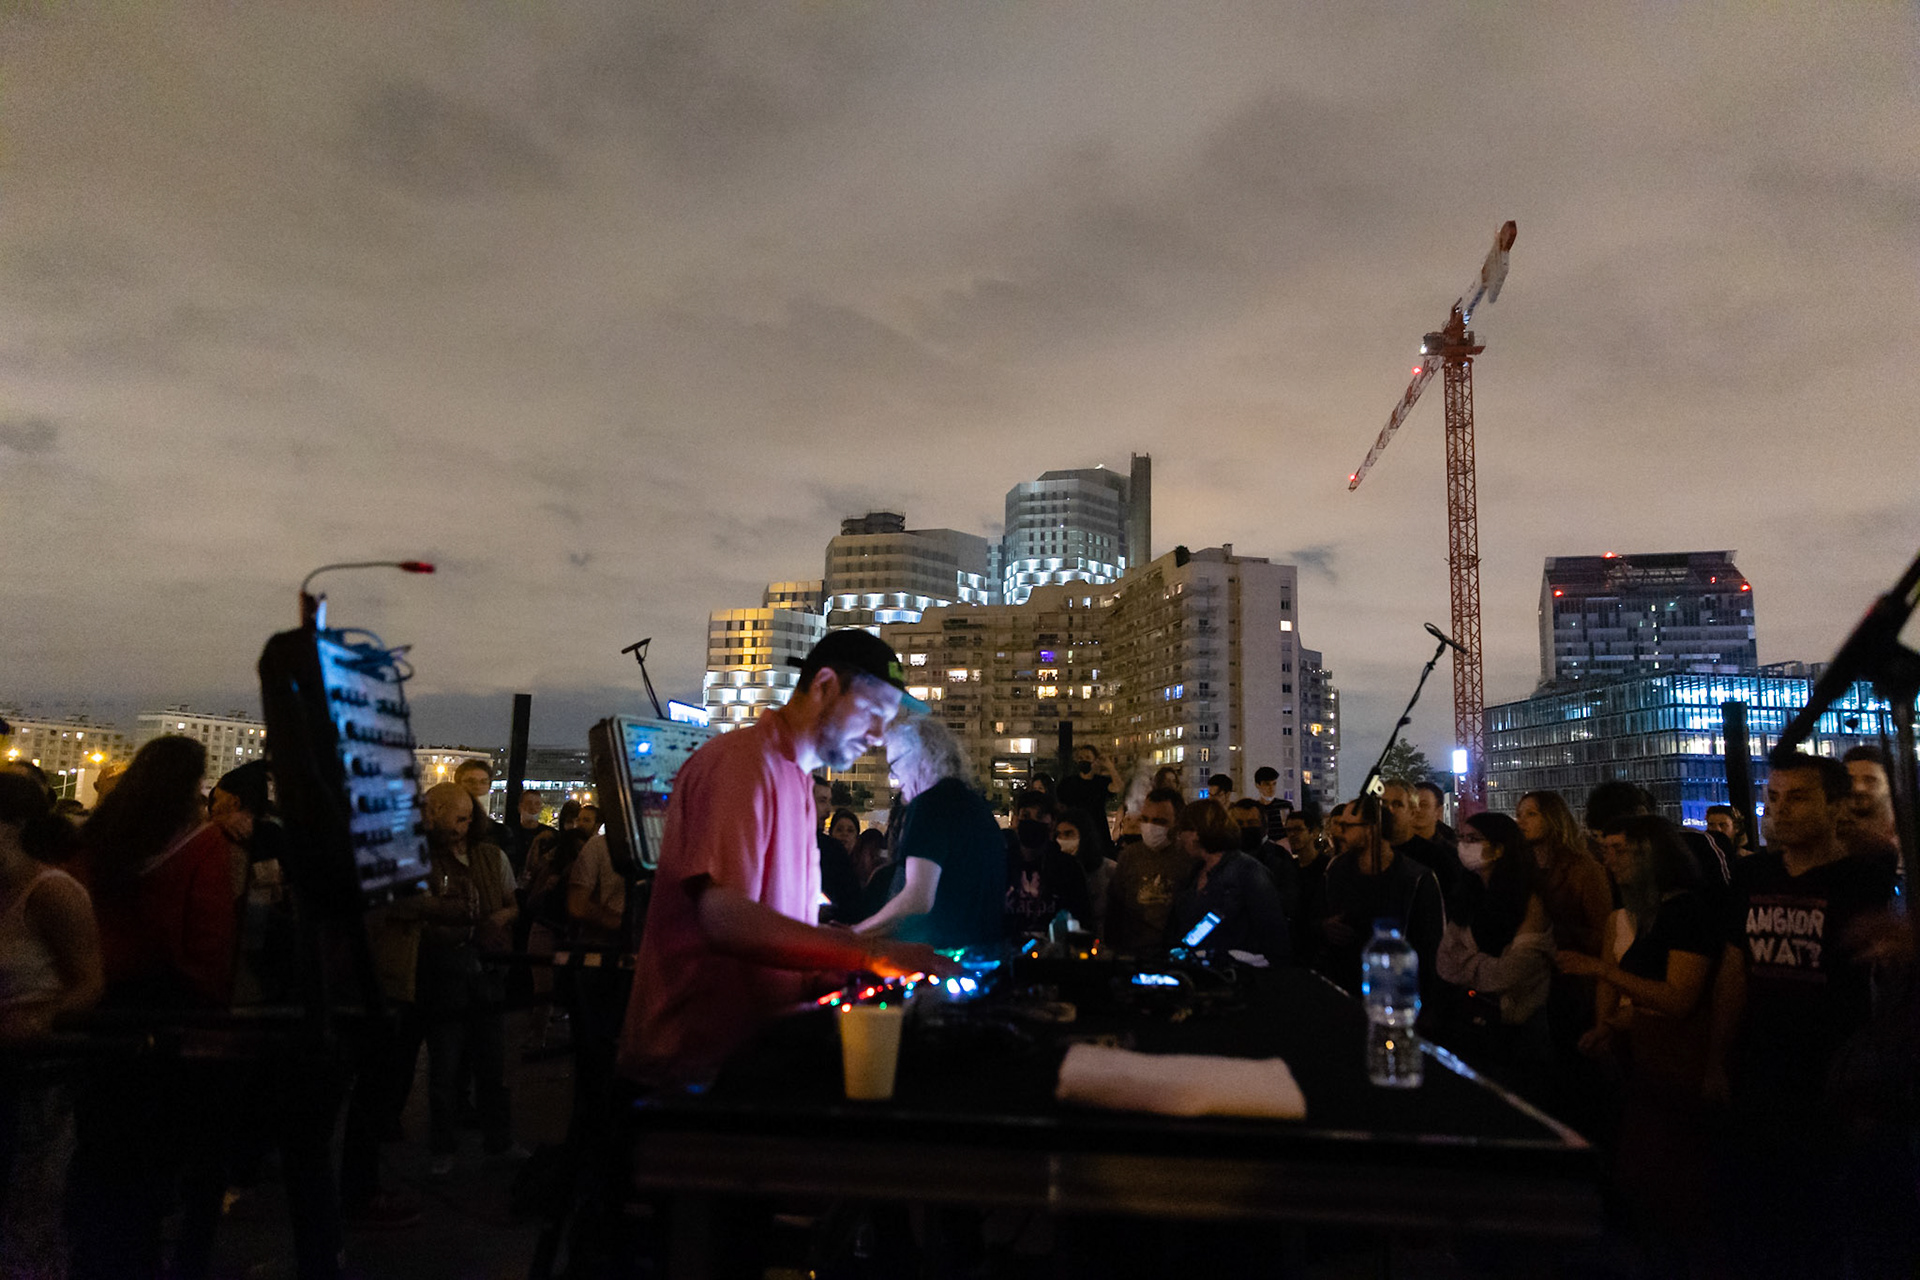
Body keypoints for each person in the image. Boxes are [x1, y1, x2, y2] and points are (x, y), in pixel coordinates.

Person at [619, 630, 953, 1089]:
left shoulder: (798, 782)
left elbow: (775, 921)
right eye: (874, 713)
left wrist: (832, 957)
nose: (878, 737)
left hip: (753, 1052)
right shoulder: (742, 763)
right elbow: (726, 919)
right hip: (692, 1066)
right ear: (824, 687)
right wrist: (870, 953)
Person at [1705, 753, 1900, 1276]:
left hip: (1833, 1072)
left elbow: (1884, 852)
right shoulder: (1752, 874)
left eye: (1798, 798)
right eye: (1773, 798)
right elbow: (1734, 967)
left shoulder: (1863, 878)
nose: (1779, 811)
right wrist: (1718, 1059)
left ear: (1837, 807)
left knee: (1827, 1220)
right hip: (1759, 1065)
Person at [1557, 813, 1716, 1260]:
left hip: (1678, 1062)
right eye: (1605, 851)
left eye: (1620, 850)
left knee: (1662, 1179)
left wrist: (1600, 969)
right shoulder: (1650, 913)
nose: (1609, 861)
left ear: (1652, 855)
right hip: (1648, 1055)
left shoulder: (1684, 911)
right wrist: (1611, 1026)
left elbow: (1678, 999)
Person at [0, 773, 101, 1277]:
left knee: (27, 1209)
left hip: (35, 1074)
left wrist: (38, 1020)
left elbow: (89, 983)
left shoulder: (52, 892)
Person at [415, 782, 522, 1176]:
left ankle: (498, 1139)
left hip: (485, 969)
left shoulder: (491, 856)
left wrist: (500, 918)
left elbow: (513, 905)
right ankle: (444, 1146)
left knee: (492, 1063)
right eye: (453, 819)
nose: (459, 827)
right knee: (445, 1066)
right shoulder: (424, 859)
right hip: (446, 972)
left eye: (465, 819)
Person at [855, 717, 1004, 951]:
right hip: (984, 956)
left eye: (894, 765)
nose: (894, 780)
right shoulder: (977, 807)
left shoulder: (929, 805)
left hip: (941, 958)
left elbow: (917, 898)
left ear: (921, 756)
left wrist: (856, 934)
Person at [1435, 812, 1553, 1098]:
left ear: (1500, 848)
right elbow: (1444, 962)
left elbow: (1511, 972)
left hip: (1517, 1032)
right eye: (1461, 838)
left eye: (1473, 839)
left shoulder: (1529, 900)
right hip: (1470, 1026)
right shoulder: (1468, 895)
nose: (1464, 845)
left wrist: (1469, 967)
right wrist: (1484, 967)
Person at [1310, 798, 1445, 1017]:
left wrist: (1427, 1008)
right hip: (1341, 990)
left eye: (1347, 826)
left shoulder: (1417, 879)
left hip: (1395, 996)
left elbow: (1431, 947)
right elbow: (1313, 918)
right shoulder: (1336, 869)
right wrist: (1325, 927)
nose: (1340, 832)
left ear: (1372, 829)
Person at [1168, 799, 1290, 963]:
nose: (1180, 839)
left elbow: (1273, 933)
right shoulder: (1195, 872)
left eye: (1182, 831)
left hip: (1239, 975)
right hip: (1201, 971)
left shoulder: (1247, 871)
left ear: (1196, 832)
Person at [1104, 788, 1191, 951]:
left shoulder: (1189, 858)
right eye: (1145, 819)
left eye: (1160, 821)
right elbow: (1115, 908)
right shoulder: (1130, 856)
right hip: (1133, 952)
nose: (1151, 827)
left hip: (1175, 953)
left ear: (1177, 822)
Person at [1002, 789, 1090, 938]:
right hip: (1009, 955)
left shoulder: (1067, 868)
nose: (1032, 822)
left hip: (1053, 956)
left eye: (1040, 816)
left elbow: (1081, 918)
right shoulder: (1002, 864)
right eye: (1026, 815)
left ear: (1052, 823)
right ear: (1016, 819)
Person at [1381, 777, 1463, 894]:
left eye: (1397, 804)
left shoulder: (1440, 858)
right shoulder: (1374, 851)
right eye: (1383, 804)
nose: (1389, 810)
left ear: (1412, 812)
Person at [1228, 798, 1298, 928]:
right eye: (1239, 823)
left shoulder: (1279, 857)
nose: (1245, 828)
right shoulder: (1222, 859)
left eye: (1252, 822)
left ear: (1264, 826)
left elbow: (1289, 901)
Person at [1054, 807, 1117, 939]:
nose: (1062, 840)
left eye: (1068, 834)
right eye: (1059, 835)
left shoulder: (1109, 870)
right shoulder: (1053, 872)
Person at [1837, 744, 1899, 863]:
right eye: (1850, 780)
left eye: (1870, 780)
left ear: (1891, 784)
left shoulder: (1911, 833)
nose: (1858, 788)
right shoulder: (1833, 839)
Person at [818, 807, 865, 924]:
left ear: (857, 837)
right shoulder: (824, 867)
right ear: (831, 833)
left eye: (850, 831)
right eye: (839, 830)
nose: (844, 834)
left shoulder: (863, 869)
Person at [1056, 745, 1117, 817]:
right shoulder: (1067, 783)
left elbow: (1118, 787)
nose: (1083, 760)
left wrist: (1110, 766)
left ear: (1095, 760)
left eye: (1087, 757)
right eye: (1080, 758)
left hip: (1097, 826)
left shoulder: (1101, 782)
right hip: (1075, 825)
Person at [507, 790, 551, 878]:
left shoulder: (550, 835)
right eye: (529, 803)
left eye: (537, 804)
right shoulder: (508, 833)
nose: (533, 807)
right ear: (520, 807)